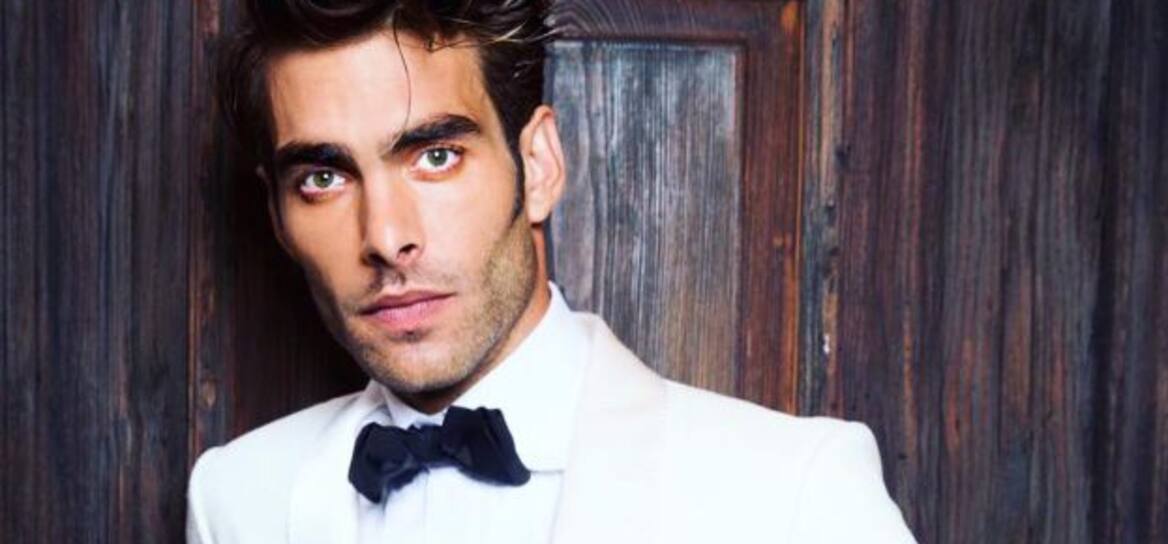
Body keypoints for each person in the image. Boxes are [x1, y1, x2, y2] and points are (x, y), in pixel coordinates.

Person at [187, 1, 916, 542]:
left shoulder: (794, 494)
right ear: (278, 214)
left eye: (436, 156)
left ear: (536, 165)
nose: (385, 237)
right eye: (322, 178)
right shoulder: (238, 500)